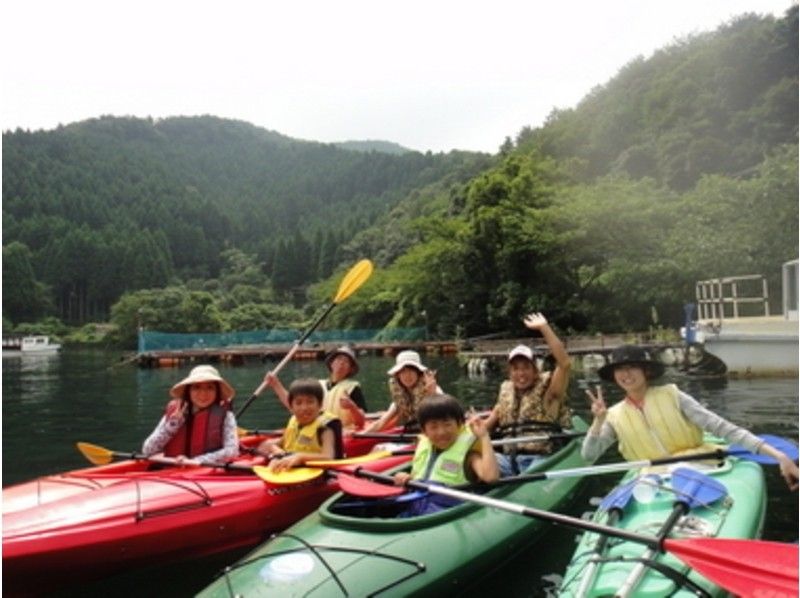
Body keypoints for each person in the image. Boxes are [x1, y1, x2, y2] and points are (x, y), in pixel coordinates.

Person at [583, 344, 799, 490]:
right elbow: (589, 455)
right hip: (651, 479)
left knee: (680, 469)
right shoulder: (613, 415)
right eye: (620, 369)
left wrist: (779, 456)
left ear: (646, 371)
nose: (626, 375)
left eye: (632, 368)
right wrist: (598, 421)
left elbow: (722, 428)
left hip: (697, 466)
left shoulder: (673, 395)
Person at [484, 312, 573, 476]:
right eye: (516, 368)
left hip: (539, 460)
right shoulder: (505, 393)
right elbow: (487, 425)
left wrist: (544, 328)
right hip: (508, 461)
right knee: (474, 458)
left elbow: (565, 364)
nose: (521, 373)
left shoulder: (549, 392)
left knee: (529, 475)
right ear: (510, 372)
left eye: (526, 367)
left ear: (535, 370)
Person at [393, 394, 499, 515]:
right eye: (433, 426)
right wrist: (406, 478)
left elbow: (491, 477)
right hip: (417, 506)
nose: (442, 432)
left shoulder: (469, 455)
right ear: (424, 431)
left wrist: (484, 437)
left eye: (447, 424)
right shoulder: (424, 448)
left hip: (449, 512)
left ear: (459, 424)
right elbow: (418, 477)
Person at [142, 364, 239, 466]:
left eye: (210, 388)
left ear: (217, 392)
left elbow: (232, 451)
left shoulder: (226, 416)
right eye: (196, 387)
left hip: (204, 472)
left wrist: (197, 461)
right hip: (171, 471)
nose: (203, 394)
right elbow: (148, 450)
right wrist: (172, 425)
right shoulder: (176, 414)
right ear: (189, 391)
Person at [262, 345, 367, 431]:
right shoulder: (318, 385)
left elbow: (361, 422)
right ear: (332, 363)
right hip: (314, 430)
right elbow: (293, 405)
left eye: (346, 361)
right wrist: (276, 384)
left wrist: (352, 407)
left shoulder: (353, 388)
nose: (341, 363)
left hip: (343, 432)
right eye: (339, 359)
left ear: (350, 369)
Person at [255, 378, 343, 471]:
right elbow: (279, 443)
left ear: (320, 405)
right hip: (293, 471)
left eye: (310, 402)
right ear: (291, 407)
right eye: (298, 403)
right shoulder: (294, 422)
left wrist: (301, 457)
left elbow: (328, 457)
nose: (304, 408)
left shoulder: (325, 429)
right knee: (265, 445)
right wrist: (276, 451)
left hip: (318, 474)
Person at [363, 350, 441, 433]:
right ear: (398, 375)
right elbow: (380, 423)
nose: (407, 375)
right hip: (413, 434)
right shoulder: (400, 398)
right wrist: (360, 434)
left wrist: (432, 395)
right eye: (403, 371)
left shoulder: (434, 390)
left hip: (432, 435)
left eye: (411, 370)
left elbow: (443, 417)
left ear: (418, 373)